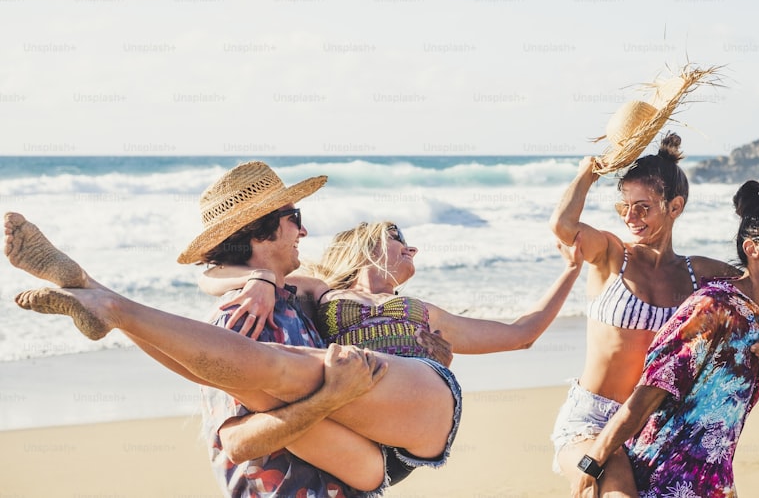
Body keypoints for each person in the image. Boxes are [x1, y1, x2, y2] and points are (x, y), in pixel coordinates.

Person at [5, 162, 583, 497]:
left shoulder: (295, 300)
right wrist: (258, 285)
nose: (304, 232)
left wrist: (257, 278)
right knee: (280, 379)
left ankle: (109, 302)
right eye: (293, 219)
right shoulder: (276, 304)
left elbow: (522, 332)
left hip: (389, 435)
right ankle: (107, 303)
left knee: (278, 377)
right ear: (264, 232)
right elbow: (234, 440)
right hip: (361, 463)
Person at [550, 135, 759, 495]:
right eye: (624, 207)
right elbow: (563, 226)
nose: (631, 217)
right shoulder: (611, 255)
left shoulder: (695, 273)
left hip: (654, 423)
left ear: (675, 206)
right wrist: (588, 174)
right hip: (592, 420)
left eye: (643, 207)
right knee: (619, 490)